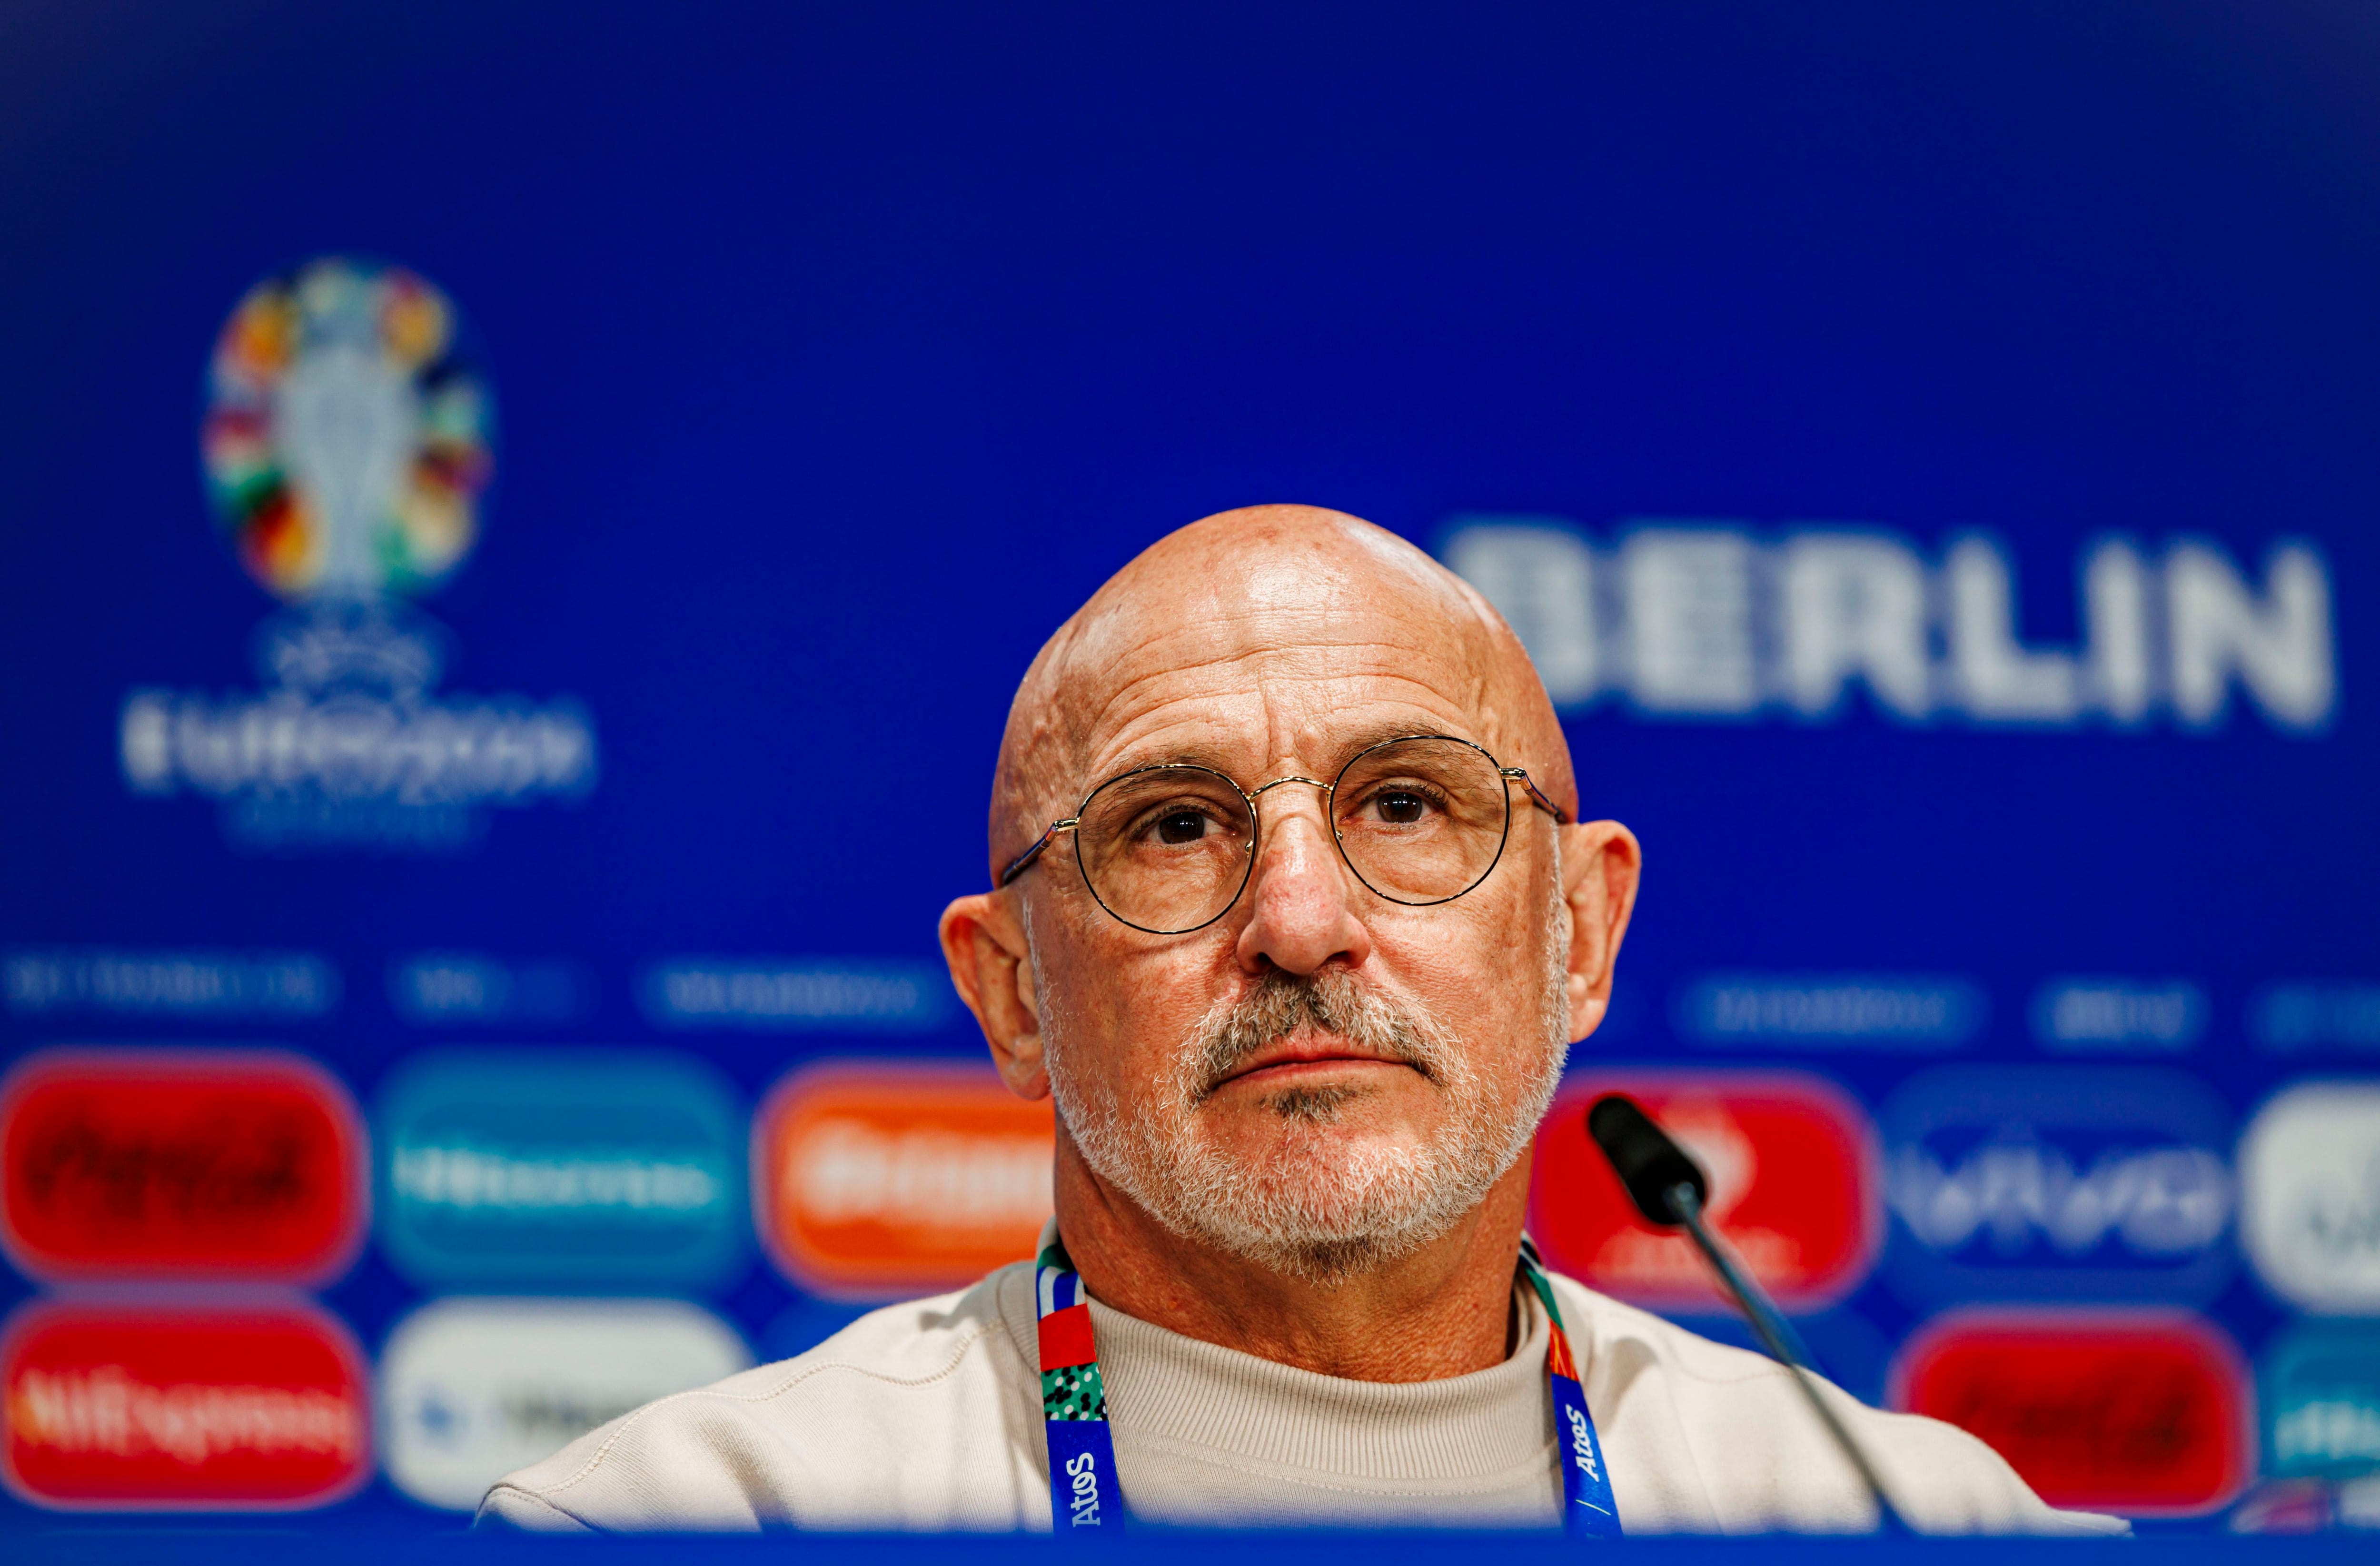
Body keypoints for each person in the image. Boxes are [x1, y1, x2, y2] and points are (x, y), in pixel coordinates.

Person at [479, 505, 2119, 1536]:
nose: (1302, 922)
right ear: (1013, 994)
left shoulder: (1911, 1523)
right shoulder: (699, 1522)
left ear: (1580, 929)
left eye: (1405, 804)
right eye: (1174, 827)